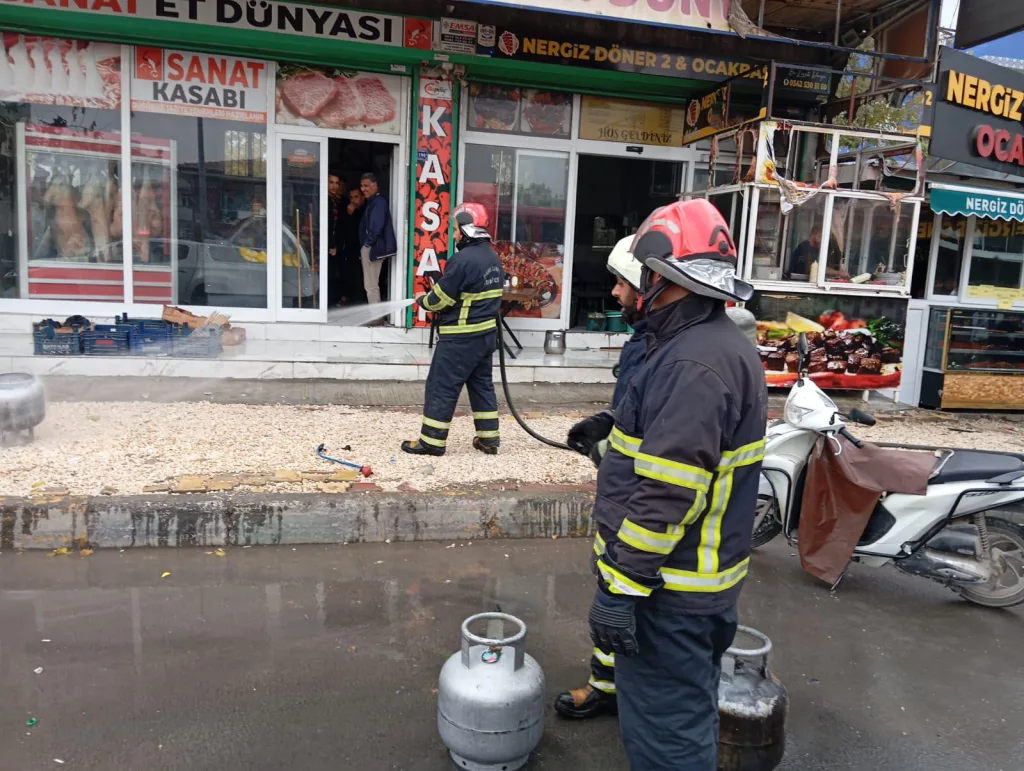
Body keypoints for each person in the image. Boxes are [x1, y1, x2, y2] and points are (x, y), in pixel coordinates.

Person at [582, 199, 768, 770]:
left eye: (635, 277)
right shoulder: (699, 345)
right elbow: (672, 443)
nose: (620, 292)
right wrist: (611, 427)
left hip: (669, 591)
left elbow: (669, 490)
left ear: (665, 276)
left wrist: (621, 589)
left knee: (668, 738)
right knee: (682, 712)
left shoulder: (694, 363)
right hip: (689, 587)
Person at [555, 235, 647, 720]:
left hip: (641, 516)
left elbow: (666, 456)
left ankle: (631, 693)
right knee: (610, 598)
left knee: (626, 604)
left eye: (621, 282)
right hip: (620, 503)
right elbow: (636, 409)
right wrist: (605, 422)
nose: (613, 292)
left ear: (648, 285)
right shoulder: (644, 343)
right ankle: (606, 684)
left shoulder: (675, 356)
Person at [401, 202, 504, 458]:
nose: (455, 234)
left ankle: (432, 441)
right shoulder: (492, 258)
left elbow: (440, 300)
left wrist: (422, 300)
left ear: (467, 227)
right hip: (485, 337)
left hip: (460, 338)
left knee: (441, 385)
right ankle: (489, 439)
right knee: (481, 385)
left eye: (456, 229)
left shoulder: (462, 260)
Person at [358, 172, 397, 310]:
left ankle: (376, 316)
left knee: (371, 285)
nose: (363, 189)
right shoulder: (374, 201)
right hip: (372, 246)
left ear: (375, 185)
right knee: (371, 284)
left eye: (366, 185)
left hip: (372, 247)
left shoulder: (379, 202)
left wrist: (367, 244)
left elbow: (376, 226)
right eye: (362, 186)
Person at [327, 174, 347, 306]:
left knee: (333, 271)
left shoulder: (336, 201)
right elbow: (328, 224)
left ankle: (331, 299)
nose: (334, 186)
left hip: (334, 244)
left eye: (336, 183)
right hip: (326, 243)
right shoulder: (324, 200)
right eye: (331, 182)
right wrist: (331, 244)